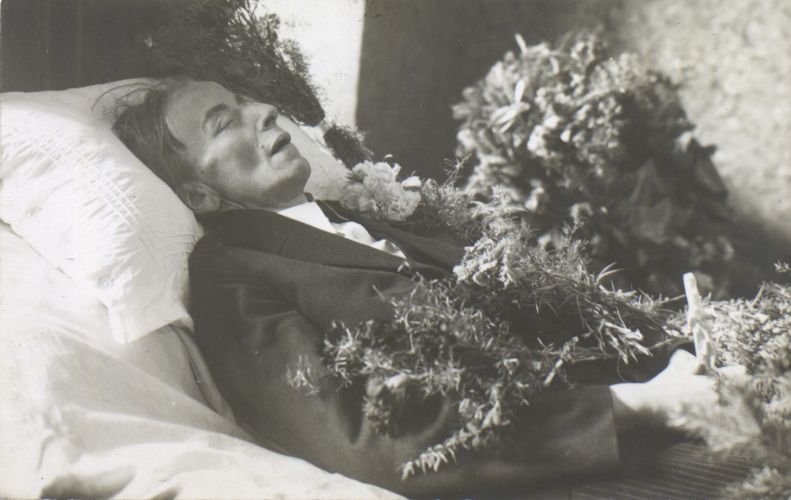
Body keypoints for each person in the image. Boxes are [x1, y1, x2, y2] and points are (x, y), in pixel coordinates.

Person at [114, 78, 721, 496]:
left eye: (246, 101)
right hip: (550, 474)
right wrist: (636, 406)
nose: (264, 113)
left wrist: (677, 358)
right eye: (225, 123)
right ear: (199, 195)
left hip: (631, 421)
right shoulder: (231, 278)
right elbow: (364, 439)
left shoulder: (355, 219)